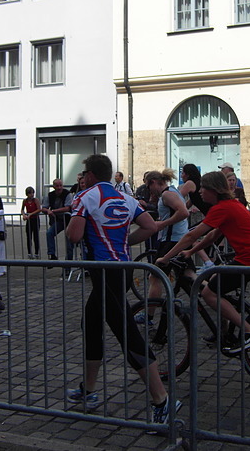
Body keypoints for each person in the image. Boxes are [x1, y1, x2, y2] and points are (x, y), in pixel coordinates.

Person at [65, 154, 179, 426]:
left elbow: (74, 236)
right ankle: (89, 391)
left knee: (128, 336)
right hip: (121, 271)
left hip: (105, 273)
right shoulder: (125, 198)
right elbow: (150, 227)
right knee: (90, 323)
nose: (81, 179)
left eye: (83, 175)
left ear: (90, 175)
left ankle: (163, 401)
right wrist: (126, 241)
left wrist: (75, 218)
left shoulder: (85, 197)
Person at [156, 171, 250, 354]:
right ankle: (225, 333)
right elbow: (212, 235)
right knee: (214, 283)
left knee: (209, 293)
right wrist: (191, 251)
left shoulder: (222, 208)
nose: (200, 192)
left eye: (203, 188)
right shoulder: (228, 205)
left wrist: (166, 257)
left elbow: (192, 235)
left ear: (214, 190)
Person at [137, 169, 189, 313]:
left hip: (171, 240)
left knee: (155, 277)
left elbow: (184, 212)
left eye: (148, 187)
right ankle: (214, 296)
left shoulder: (167, 194)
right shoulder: (171, 192)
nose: (149, 191)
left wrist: (164, 223)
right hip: (178, 238)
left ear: (153, 182)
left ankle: (148, 316)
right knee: (189, 276)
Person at [42, 178, 74, 264]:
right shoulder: (50, 195)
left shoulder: (68, 194)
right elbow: (44, 208)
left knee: (69, 244)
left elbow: (68, 207)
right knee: (49, 233)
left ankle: (68, 265)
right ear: (53, 186)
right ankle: (51, 255)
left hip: (69, 220)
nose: (59, 188)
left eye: (60, 185)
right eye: (57, 186)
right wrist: (47, 210)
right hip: (58, 220)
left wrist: (53, 211)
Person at [135, 171, 160, 254]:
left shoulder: (159, 191)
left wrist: (147, 205)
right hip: (146, 219)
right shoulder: (141, 189)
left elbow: (158, 207)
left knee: (157, 244)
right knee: (148, 244)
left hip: (157, 220)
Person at [21, 186, 42, 259]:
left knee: (36, 236)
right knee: (28, 236)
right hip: (29, 220)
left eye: (33, 193)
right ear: (27, 194)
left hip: (35, 219)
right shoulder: (25, 201)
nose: (32, 195)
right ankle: (29, 252)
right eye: (30, 193)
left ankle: (36, 252)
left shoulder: (35, 200)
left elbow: (39, 209)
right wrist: (24, 215)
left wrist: (31, 214)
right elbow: (22, 209)